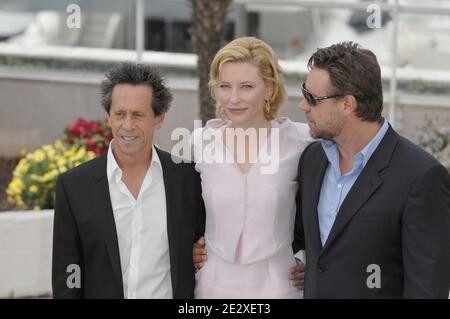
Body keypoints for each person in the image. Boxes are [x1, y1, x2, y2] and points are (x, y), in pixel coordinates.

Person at [293, 41, 450, 298]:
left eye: (312, 98)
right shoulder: (312, 160)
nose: (302, 105)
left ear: (347, 104)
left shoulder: (421, 177)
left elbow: (427, 287)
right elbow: (301, 238)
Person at [52, 63, 205, 299]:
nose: (128, 125)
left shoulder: (188, 179)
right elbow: (67, 275)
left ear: (159, 118)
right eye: (120, 114)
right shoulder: (73, 187)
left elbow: (205, 245)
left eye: (139, 114)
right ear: (108, 118)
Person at [191, 37, 311, 298]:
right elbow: (185, 210)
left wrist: (308, 258)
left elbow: (325, 208)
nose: (233, 98)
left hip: (279, 284)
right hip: (213, 284)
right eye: (225, 86)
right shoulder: (201, 141)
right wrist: (188, 246)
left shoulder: (301, 141)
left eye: (246, 87)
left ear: (269, 89)